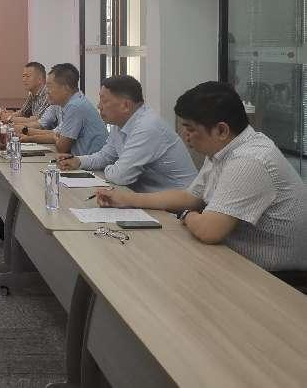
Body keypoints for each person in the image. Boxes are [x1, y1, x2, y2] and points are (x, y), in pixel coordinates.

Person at [96, 82, 307, 271]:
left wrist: (186, 215)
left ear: (221, 130)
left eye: (190, 129)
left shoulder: (250, 160)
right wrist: (127, 199)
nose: (184, 135)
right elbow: (191, 197)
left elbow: (209, 230)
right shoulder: (223, 149)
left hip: (274, 277)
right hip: (234, 258)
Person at [57, 75, 197, 192]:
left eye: (104, 101)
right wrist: (78, 161)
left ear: (126, 105)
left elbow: (120, 176)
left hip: (177, 208)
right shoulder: (121, 123)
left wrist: (109, 167)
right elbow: (105, 156)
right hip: (147, 198)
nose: (99, 106)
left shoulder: (147, 127)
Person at [17, 63, 107, 155]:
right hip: (79, 159)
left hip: (89, 162)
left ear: (65, 88)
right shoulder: (71, 103)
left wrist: (56, 138)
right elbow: (56, 135)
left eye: (50, 86)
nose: (47, 91)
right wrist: (29, 139)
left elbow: (62, 147)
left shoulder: (75, 106)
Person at [0, 62, 53, 126]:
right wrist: (7, 115)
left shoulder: (47, 94)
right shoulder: (33, 93)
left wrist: (9, 118)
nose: (24, 80)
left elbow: (37, 120)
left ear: (39, 79)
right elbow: (23, 112)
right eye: (23, 76)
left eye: (27, 76)